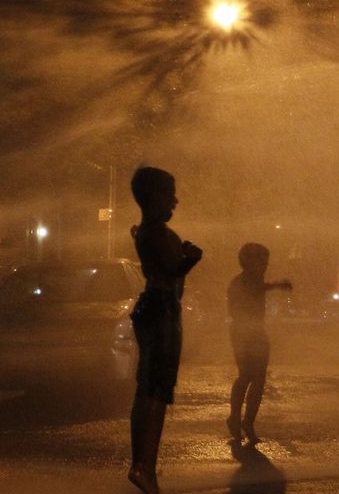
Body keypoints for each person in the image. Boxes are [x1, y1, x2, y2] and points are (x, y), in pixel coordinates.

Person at [127, 166, 203, 494]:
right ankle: (145, 466)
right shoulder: (155, 232)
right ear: (154, 196)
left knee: (147, 390)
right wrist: (190, 258)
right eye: (170, 193)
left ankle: (143, 464)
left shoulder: (149, 230)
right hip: (161, 312)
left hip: (155, 311)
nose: (175, 200)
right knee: (157, 392)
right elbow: (171, 270)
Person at [225, 242, 292, 446]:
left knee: (248, 377)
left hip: (245, 332)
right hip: (248, 333)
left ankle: (239, 419)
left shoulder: (243, 281)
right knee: (253, 377)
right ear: (248, 262)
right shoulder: (246, 282)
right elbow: (254, 292)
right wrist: (278, 285)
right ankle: (242, 420)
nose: (265, 265)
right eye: (262, 261)